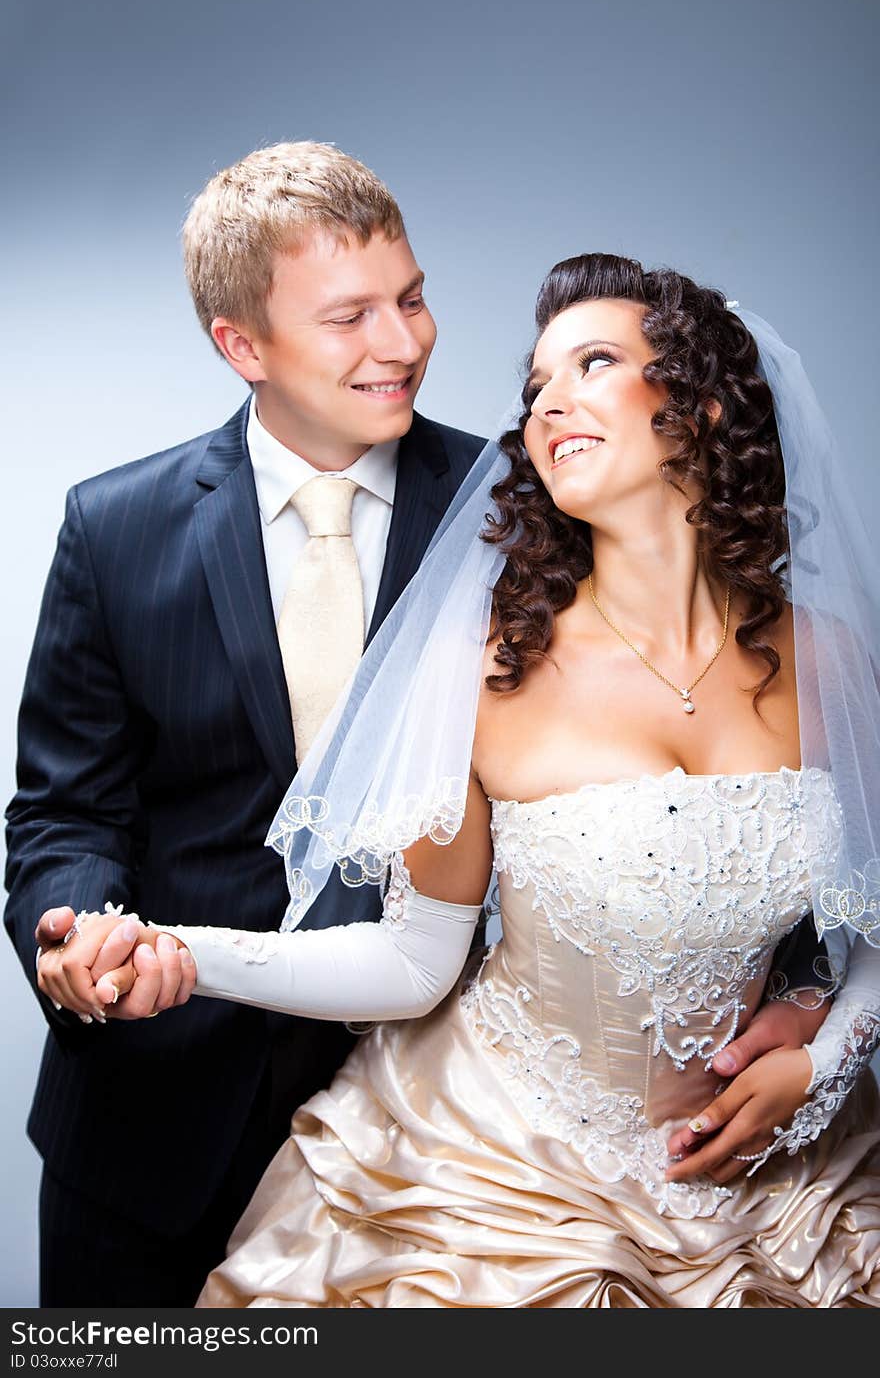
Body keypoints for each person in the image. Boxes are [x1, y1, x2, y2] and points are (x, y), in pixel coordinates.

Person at [51, 254, 880, 1307]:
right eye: (536, 387)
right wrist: (179, 949)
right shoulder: (488, 672)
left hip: (794, 1191)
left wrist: (824, 1054)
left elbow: (872, 919)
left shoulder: (831, 660)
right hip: (500, 1177)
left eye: (594, 362)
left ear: (705, 407)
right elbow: (410, 960)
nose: (550, 403)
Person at [3, 140, 490, 1306]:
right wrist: (73, 937)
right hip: (152, 1124)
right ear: (242, 346)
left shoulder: (508, 510)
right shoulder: (112, 527)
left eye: (412, 298)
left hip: (428, 1132)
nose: (404, 343)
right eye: (350, 316)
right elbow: (67, 805)